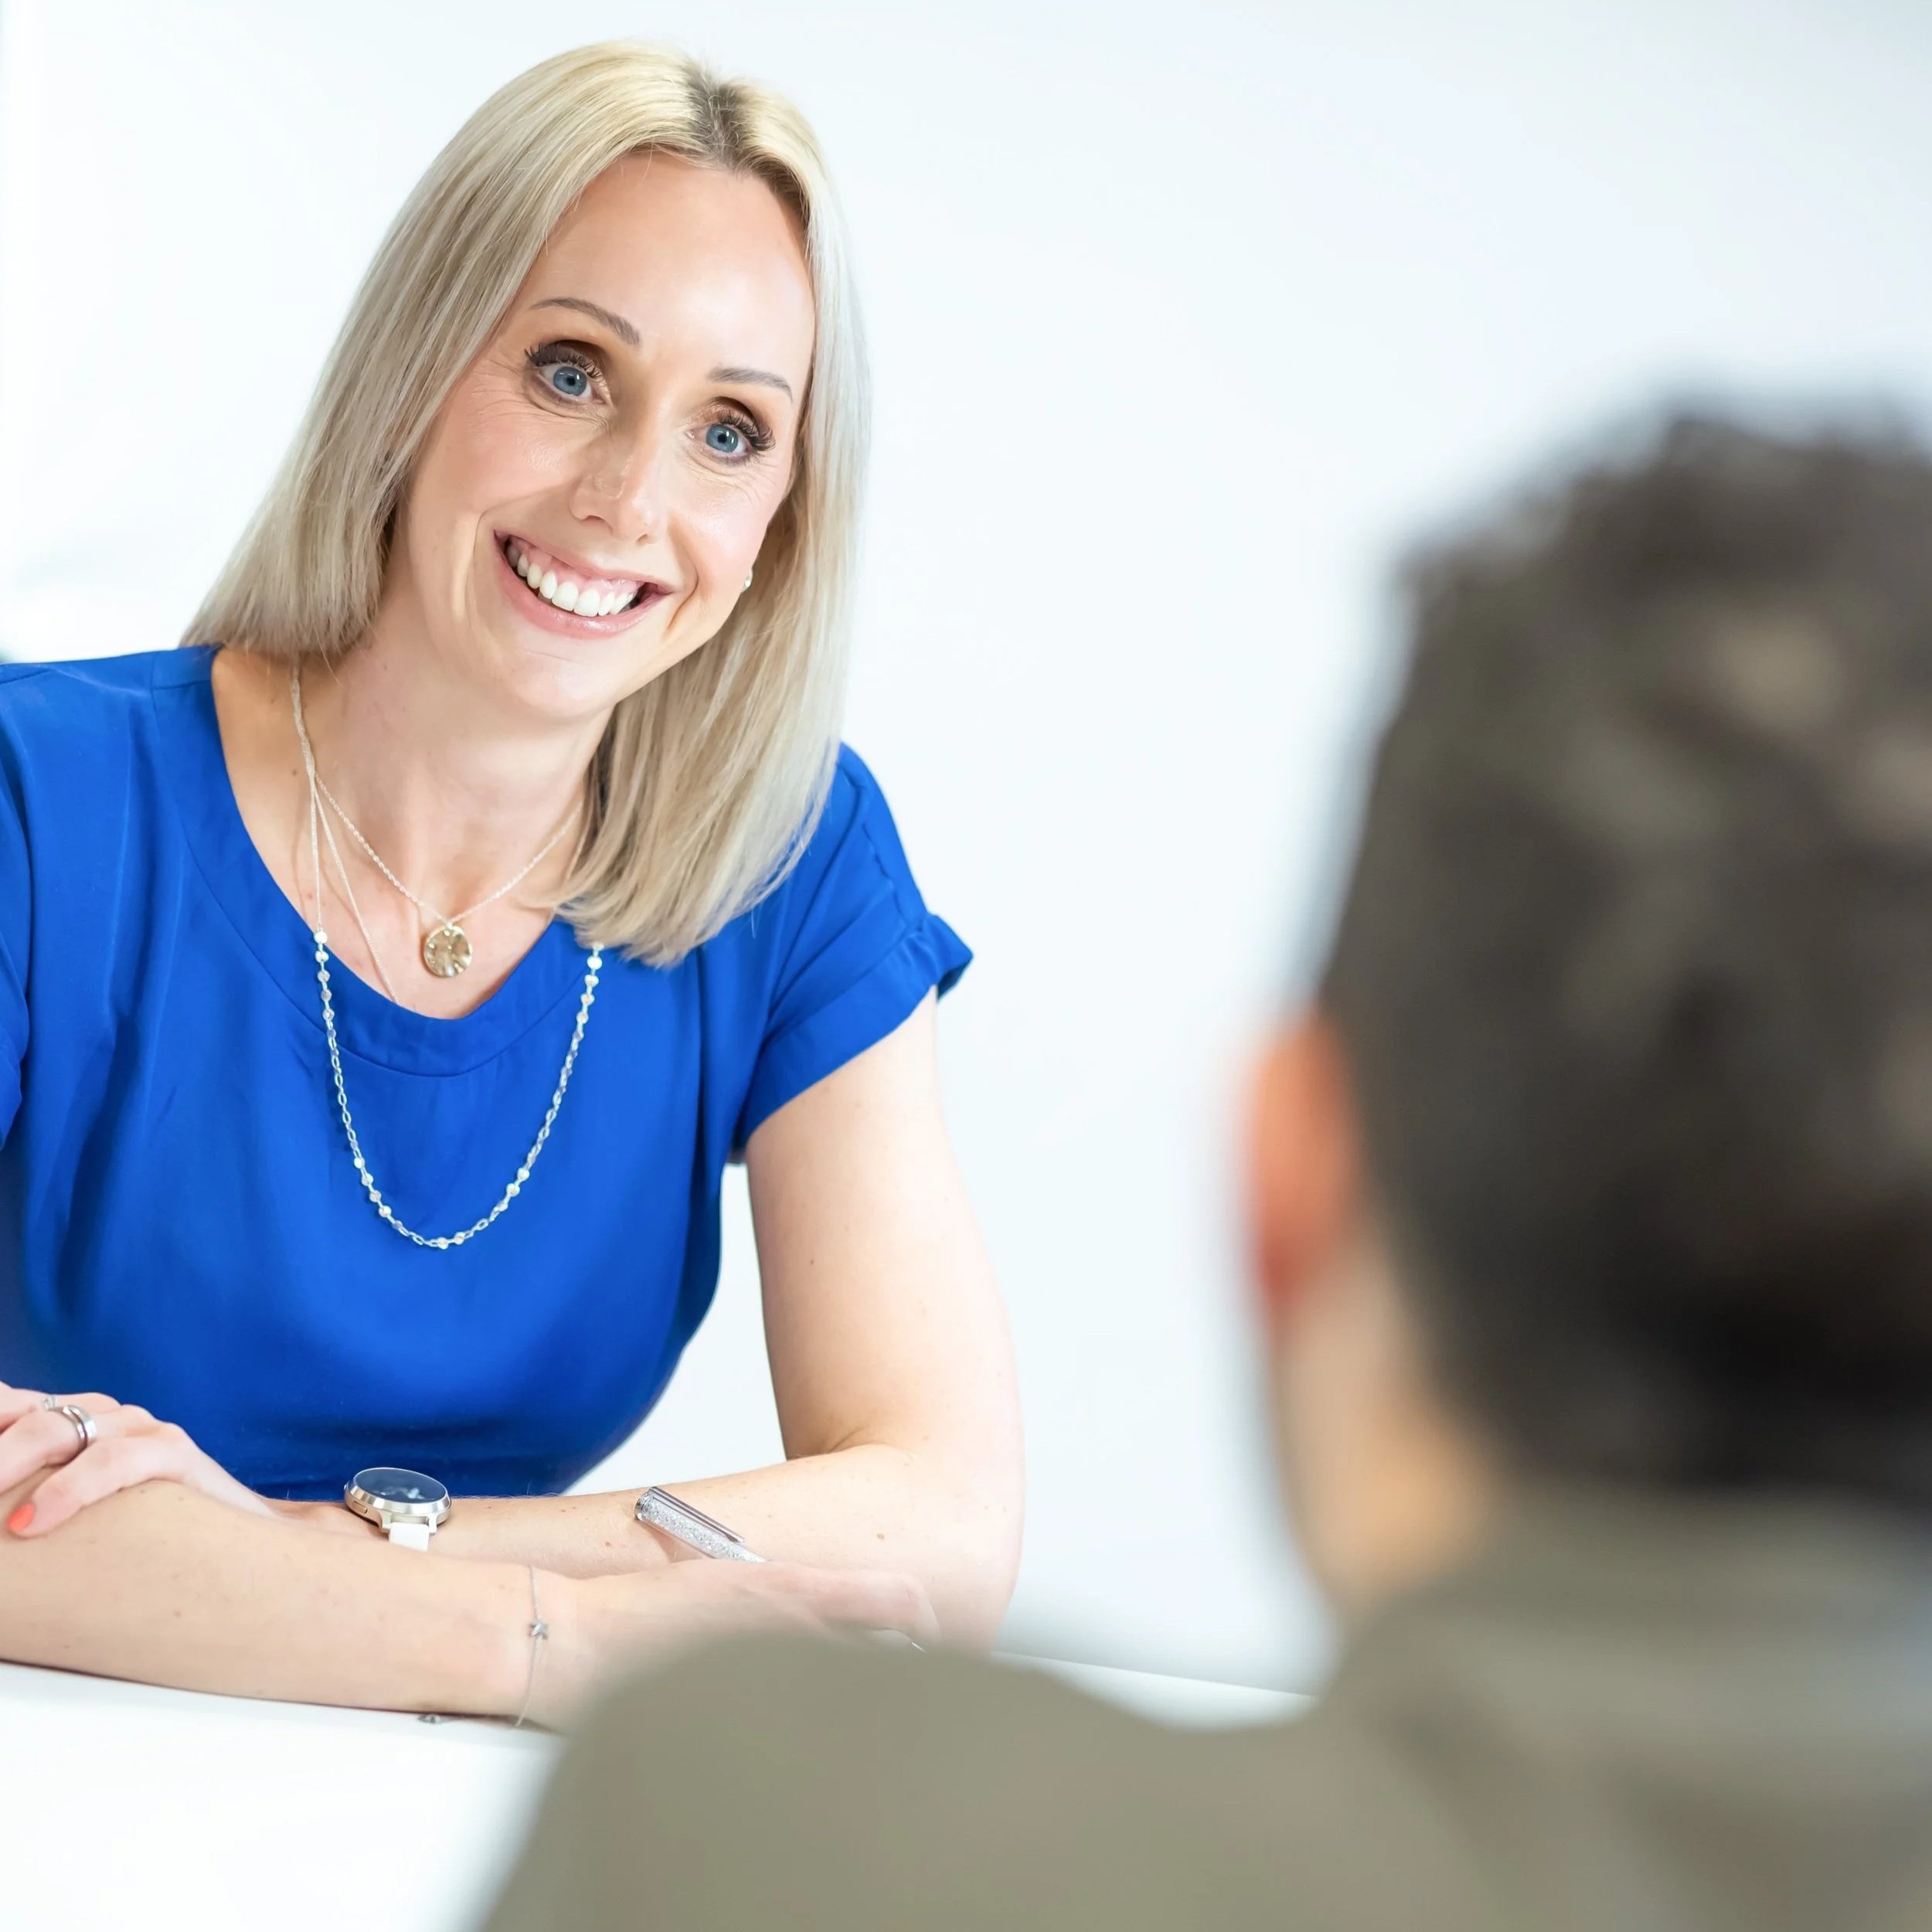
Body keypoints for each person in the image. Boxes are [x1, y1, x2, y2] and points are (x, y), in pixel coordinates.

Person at [483, 416, 1932, 1928]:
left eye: (729, 432)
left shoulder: (765, 1824)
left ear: (1288, 1162)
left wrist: (345, 1561)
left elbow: (932, 1525)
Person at [0, 43, 1022, 1719]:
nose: (627, 500)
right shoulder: (43, 795)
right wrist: (548, 1636)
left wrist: (294, 1555)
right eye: (566, 371)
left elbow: (939, 1520)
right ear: (416, 367)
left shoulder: (797, 855)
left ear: (783, 509)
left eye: (728, 428)